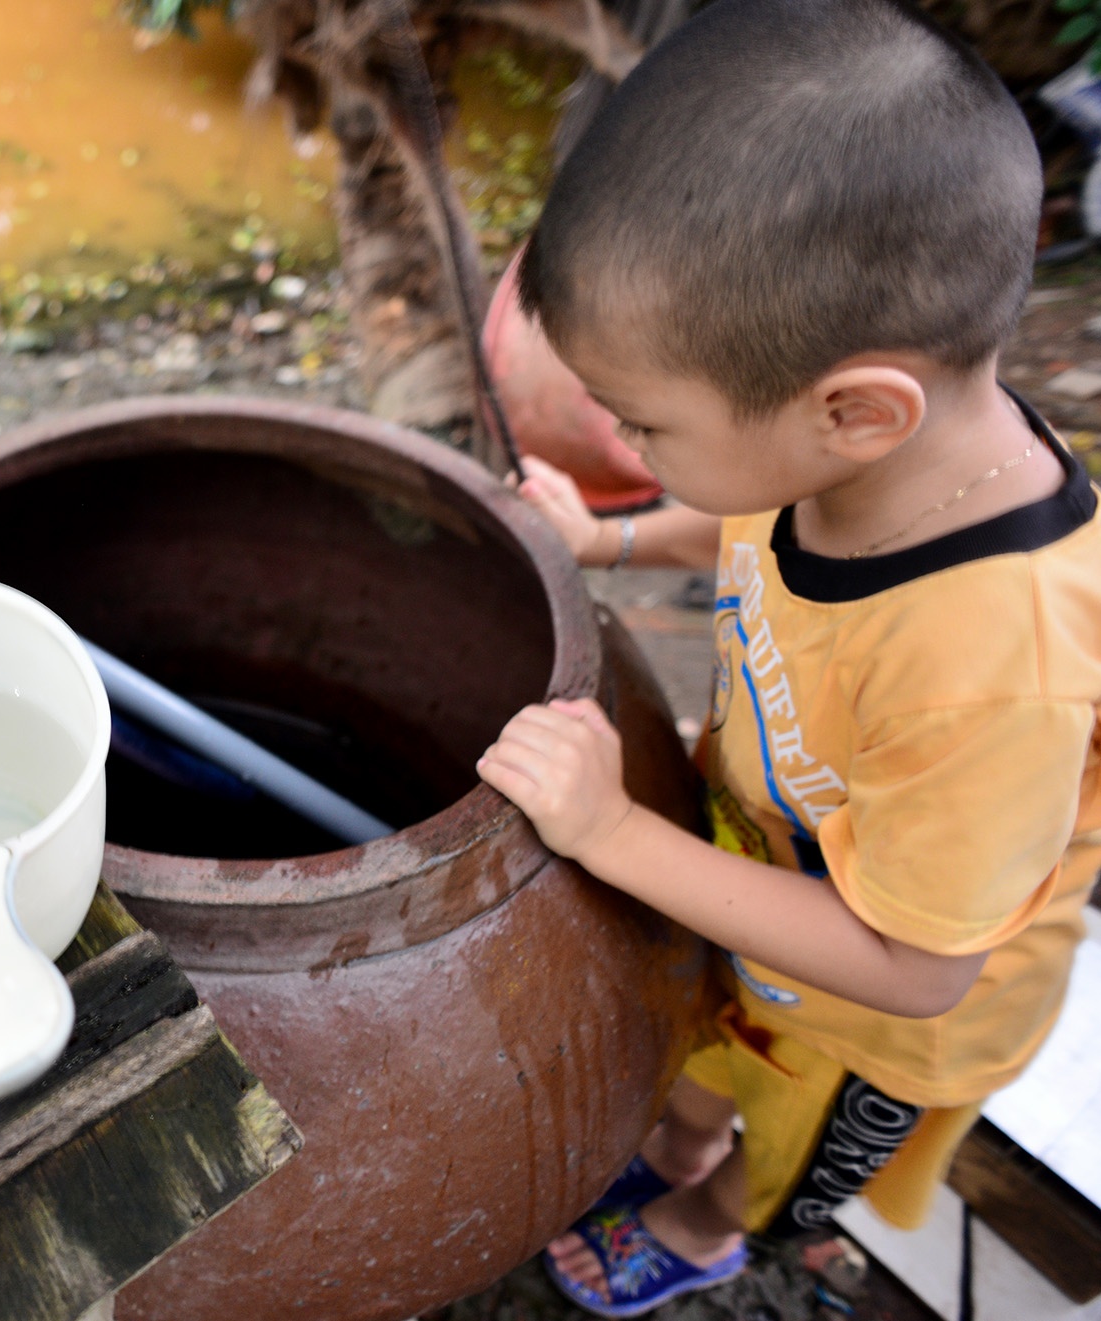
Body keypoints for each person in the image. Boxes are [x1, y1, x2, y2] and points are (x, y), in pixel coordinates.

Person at [476, 0, 1101, 1315]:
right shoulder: (884, 452)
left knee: (782, 1156)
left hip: (876, 1023)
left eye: (646, 426)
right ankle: (681, 1140)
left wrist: (613, 833)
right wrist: (611, 536)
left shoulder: (992, 666)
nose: (628, 445)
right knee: (710, 1055)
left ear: (856, 411)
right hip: (764, 882)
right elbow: (753, 511)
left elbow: (919, 966)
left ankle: (708, 1221)